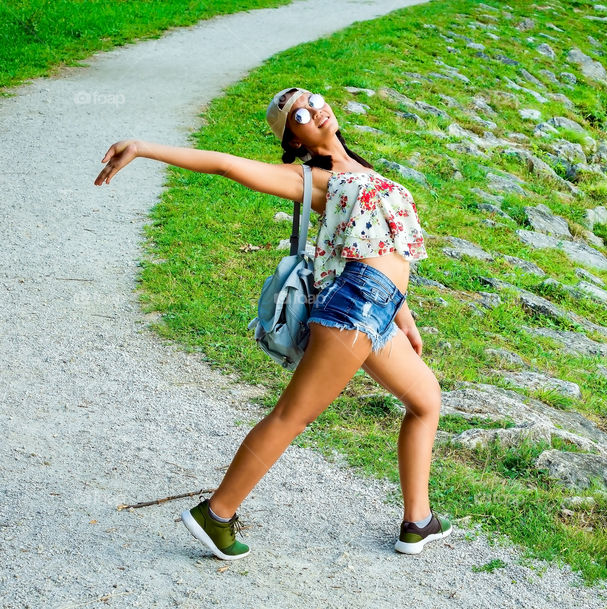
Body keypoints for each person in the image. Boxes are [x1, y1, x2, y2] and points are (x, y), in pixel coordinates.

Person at [94, 86, 453, 558]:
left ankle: (418, 520)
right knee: (292, 416)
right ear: (295, 139)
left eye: (314, 99)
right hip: (355, 307)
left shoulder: (362, 172)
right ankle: (216, 514)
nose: (314, 109)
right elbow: (226, 164)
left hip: (379, 305)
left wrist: (402, 313)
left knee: (426, 400)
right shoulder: (309, 178)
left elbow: (376, 245)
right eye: (299, 113)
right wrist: (143, 148)